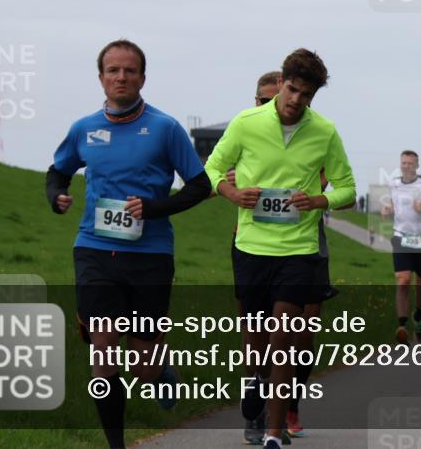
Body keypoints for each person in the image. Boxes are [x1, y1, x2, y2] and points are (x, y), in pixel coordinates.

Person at [45, 40, 211, 449]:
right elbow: (57, 170)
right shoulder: (84, 128)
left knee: (142, 367)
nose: (121, 77)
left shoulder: (164, 127)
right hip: (94, 249)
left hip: (150, 255)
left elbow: (200, 186)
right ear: (101, 77)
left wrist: (153, 208)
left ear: (142, 77)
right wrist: (57, 196)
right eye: (113, 70)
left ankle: (159, 371)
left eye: (130, 71)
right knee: (102, 349)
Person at [204, 49, 356, 449]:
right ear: (282, 83)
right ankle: (255, 387)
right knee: (255, 336)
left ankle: (273, 432)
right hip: (252, 245)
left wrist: (319, 201)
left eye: (305, 95)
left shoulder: (324, 132)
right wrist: (233, 193)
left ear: (313, 96)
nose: (295, 100)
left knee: (284, 333)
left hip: (299, 247)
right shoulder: (246, 123)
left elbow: (347, 188)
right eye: (291, 89)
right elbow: (213, 168)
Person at [381, 151, 421, 344]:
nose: (406, 166)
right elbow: (392, 203)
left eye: (410, 163)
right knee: (403, 280)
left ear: (417, 166)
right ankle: (401, 326)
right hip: (401, 237)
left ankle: (417, 317)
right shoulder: (393, 183)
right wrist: (388, 209)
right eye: (403, 163)